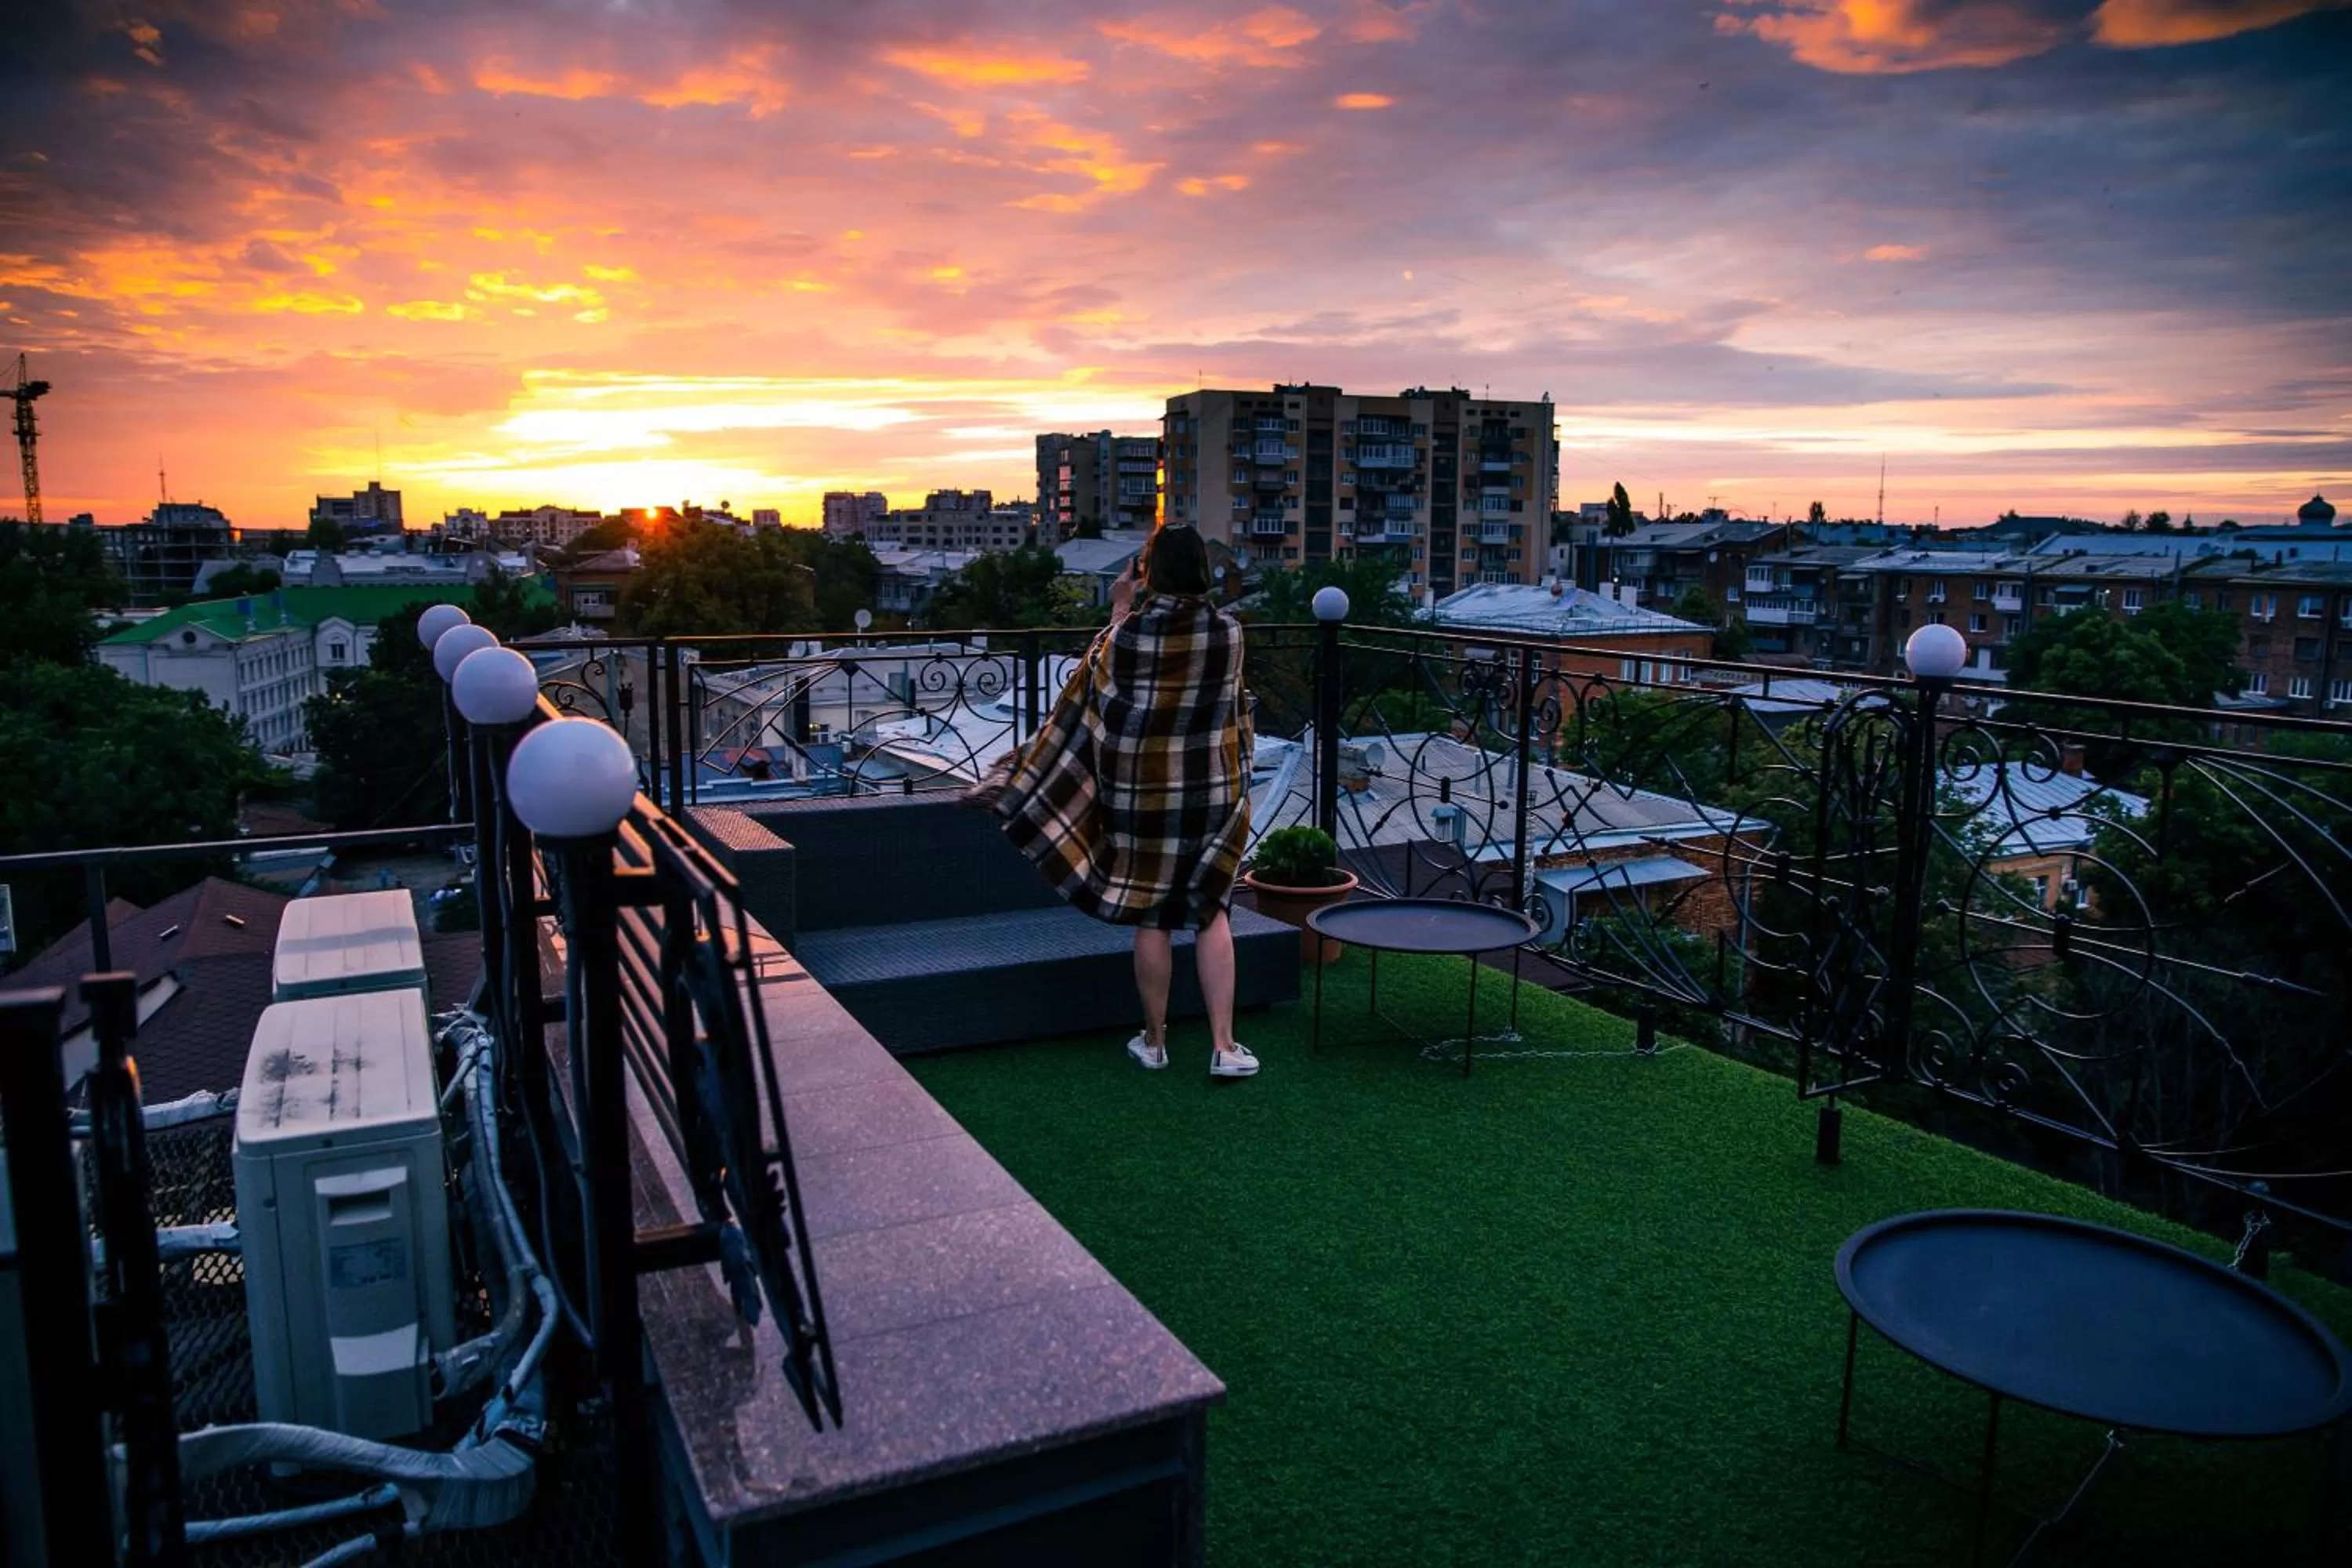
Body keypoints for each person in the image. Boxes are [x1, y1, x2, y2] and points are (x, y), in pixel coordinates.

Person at [993, 524, 1258, 1078]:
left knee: (1153, 914)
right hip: (1212, 791)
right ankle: (1224, 1047)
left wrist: (1120, 606)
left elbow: (1095, 684)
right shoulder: (1230, 634)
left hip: (1142, 797)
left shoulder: (1126, 636)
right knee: (1212, 909)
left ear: (1148, 572)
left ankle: (1155, 1043)